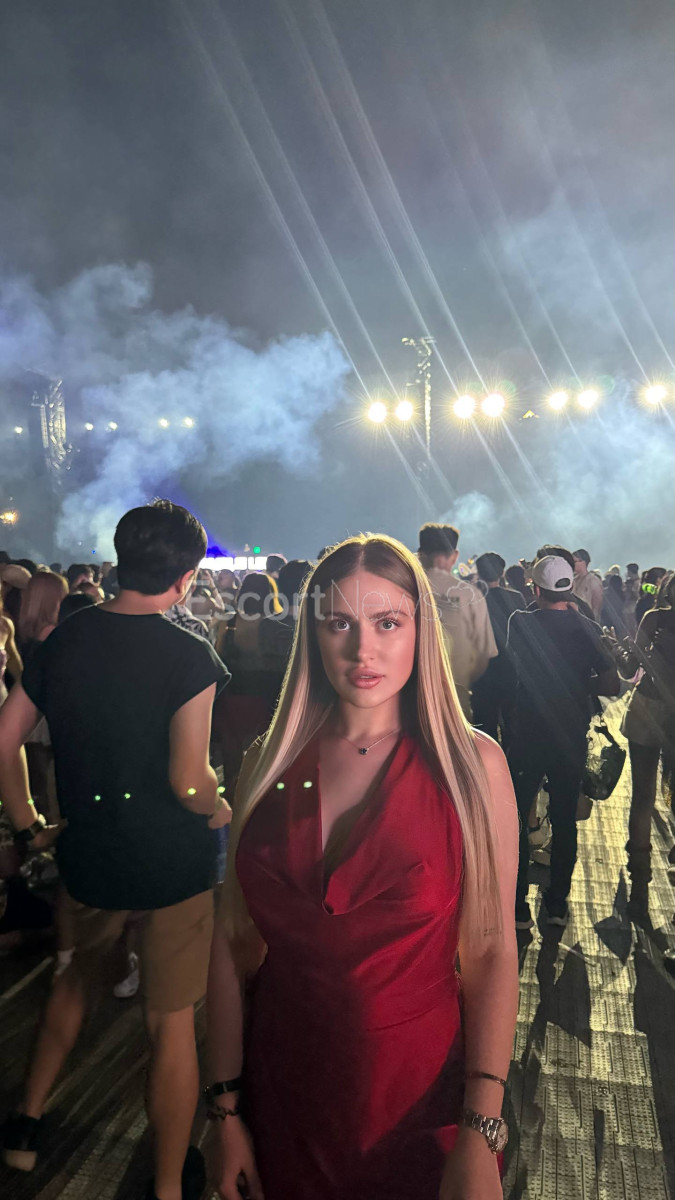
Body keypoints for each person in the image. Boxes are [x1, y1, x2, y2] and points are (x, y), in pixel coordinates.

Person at [206, 534, 518, 1200]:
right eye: (339, 624)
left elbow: (490, 950)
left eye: (387, 623)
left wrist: (481, 1126)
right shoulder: (266, 759)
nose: (362, 650)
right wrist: (225, 1110)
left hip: (418, 1097)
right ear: (313, 636)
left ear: (420, 631)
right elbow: (233, 942)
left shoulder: (472, 766)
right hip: (282, 1087)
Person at [0, 500, 231, 1200]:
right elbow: (187, 779)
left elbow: (4, 739)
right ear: (186, 578)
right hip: (172, 862)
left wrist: (29, 824)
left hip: (91, 852)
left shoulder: (66, 639)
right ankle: (167, 1184)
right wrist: (217, 804)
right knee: (169, 1023)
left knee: (73, 981)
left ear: (119, 560)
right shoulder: (190, 655)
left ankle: (24, 1128)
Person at [507, 556, 619, 929]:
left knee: (517, 817)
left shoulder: (520, 622)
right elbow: (611, 684)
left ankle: (518, 907)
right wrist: (577, 683)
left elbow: (512, 666)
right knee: (565, 819)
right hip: (569, 736)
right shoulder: (587, 627)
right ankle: (556, 905)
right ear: (570, 588)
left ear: (535, 588)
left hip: (527, 735)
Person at [616, 571, 675, 917]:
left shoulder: (654, 618)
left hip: (648, 709)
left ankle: (639, 885)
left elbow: (629, 669)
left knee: (642, 798)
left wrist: (617, 649)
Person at [417, 523, 497, 719]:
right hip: (456, 697)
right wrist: (459, 681)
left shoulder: (402, 590)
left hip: (411, 698)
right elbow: (484, 654)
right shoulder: (471, 594)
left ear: (420, 553)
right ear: (454, 556)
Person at [471, 553, 523, 749]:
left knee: (484, 724)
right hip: (510, 666)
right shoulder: (515, 598)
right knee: (513, 720)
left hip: (481, 667)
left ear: (479, 573)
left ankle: (487, 762)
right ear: (502, 573)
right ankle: (512, 761)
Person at [572, 549, 604, 619]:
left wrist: (593, 621)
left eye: (574, 561)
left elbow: (597, 606)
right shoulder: (573, 580)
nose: (572, 564)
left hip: (588, 619)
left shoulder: (593, 580)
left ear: (583, 562)